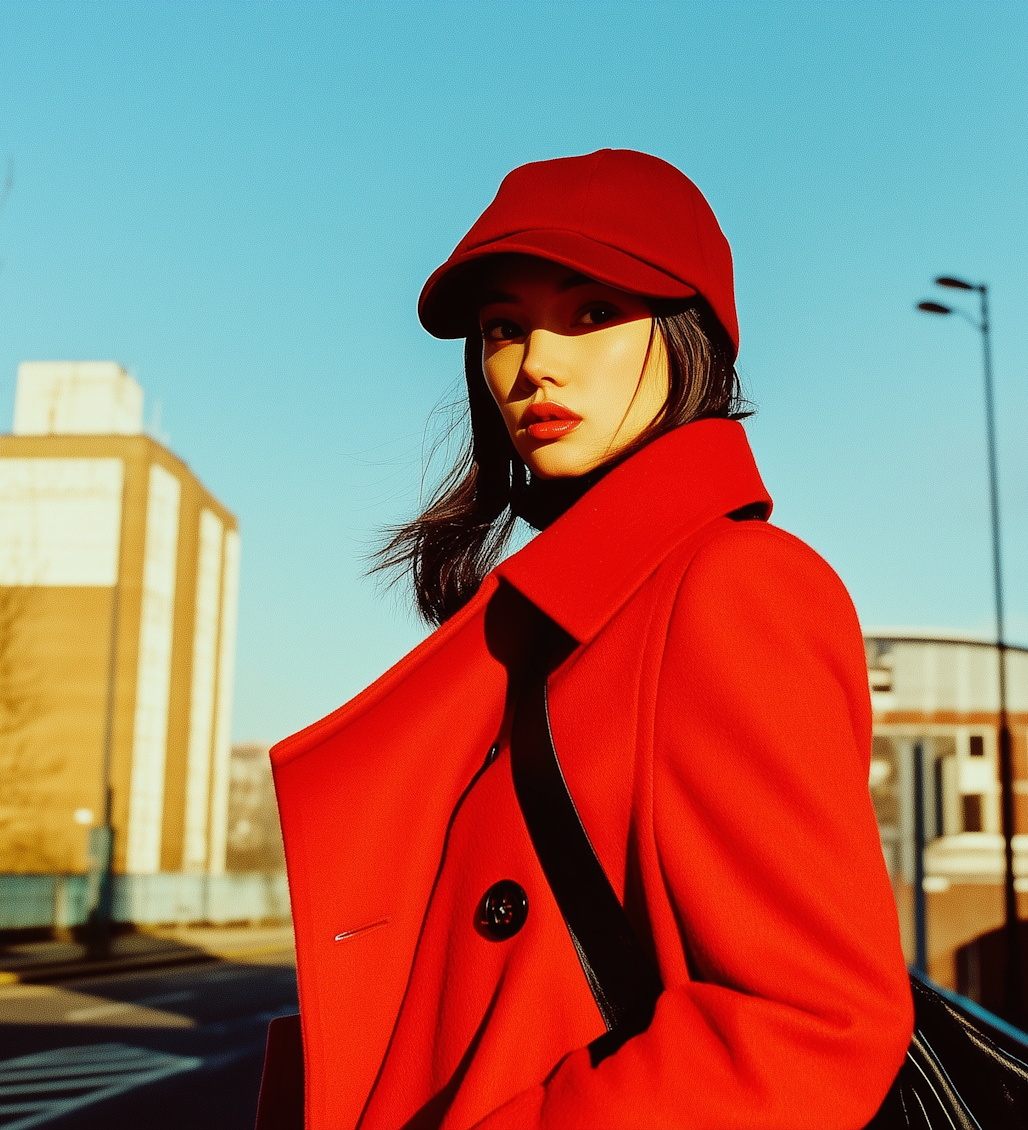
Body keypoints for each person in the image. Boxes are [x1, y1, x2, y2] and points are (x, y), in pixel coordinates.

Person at [260, 149, 912, 1130]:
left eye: (594, 313)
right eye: (503, 328)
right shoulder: (574, 623)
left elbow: (806, 1020)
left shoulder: (734, 587)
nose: (535, 364)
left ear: (689, 333)